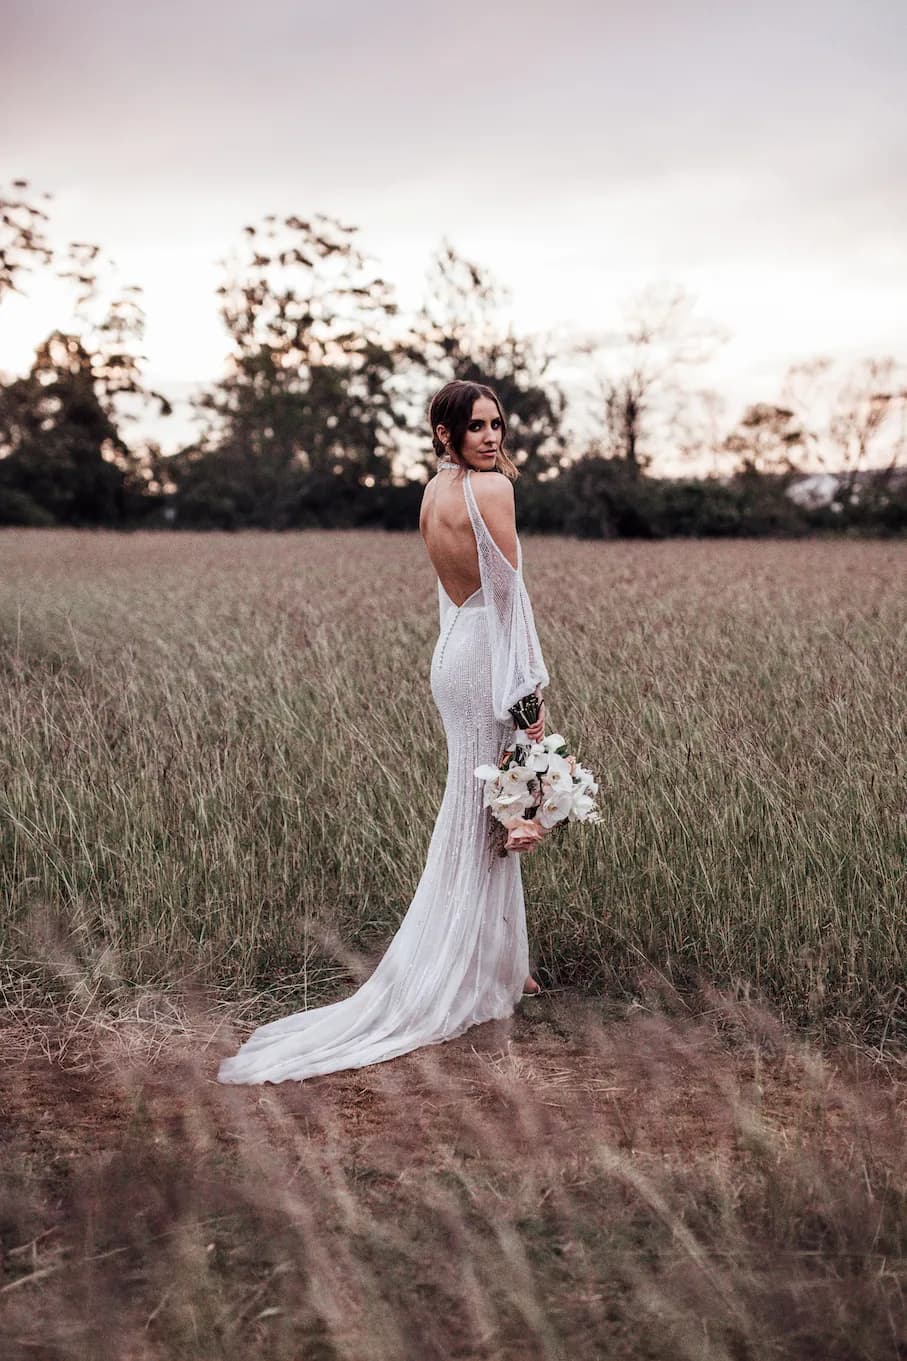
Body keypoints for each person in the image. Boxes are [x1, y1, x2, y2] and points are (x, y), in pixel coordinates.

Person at [217, 380, 549, 1086]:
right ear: (445, 432)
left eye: (497, 425)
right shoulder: (493, 492)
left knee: (478, 800)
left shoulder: (434, 492)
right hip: (486, 653)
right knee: (484, 804)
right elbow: (512, 601)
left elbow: (455, 590)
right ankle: (456, 971)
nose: (491, 437)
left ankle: (501, 967)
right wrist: (528, 702)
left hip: (453, 650)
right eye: (476, 426)